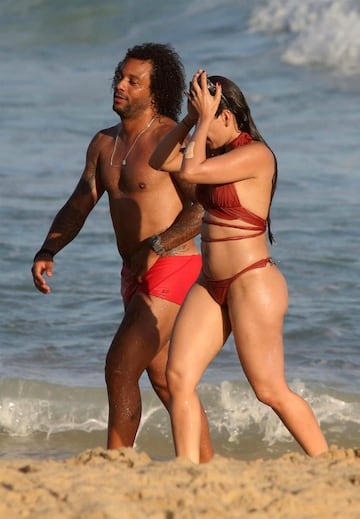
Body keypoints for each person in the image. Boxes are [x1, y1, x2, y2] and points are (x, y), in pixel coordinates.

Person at [31, 45, 213, 462]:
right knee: (165, 378)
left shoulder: (170, 139)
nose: (120, 85)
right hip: (133, 274)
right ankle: (207, 464)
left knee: (120, 366)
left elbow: (201, 207)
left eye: (133, 81)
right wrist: (49, 247)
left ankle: (116, 463)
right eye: (120, 77)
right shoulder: (104, 143)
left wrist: (158, 245)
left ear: (154, 92)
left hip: (174, 265)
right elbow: (82, 200)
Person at [150, 69, 329, 463]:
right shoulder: (213, 153)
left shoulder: (256, 155)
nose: (201, 129)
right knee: (178, 378)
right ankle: (187, 472)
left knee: (268, 389)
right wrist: (189, 120)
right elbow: (158, 159)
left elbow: (192, 172)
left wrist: (200, 122)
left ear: (226, 116)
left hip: (252, 282)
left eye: (207, 118)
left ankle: (327, 463)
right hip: (210, 283)